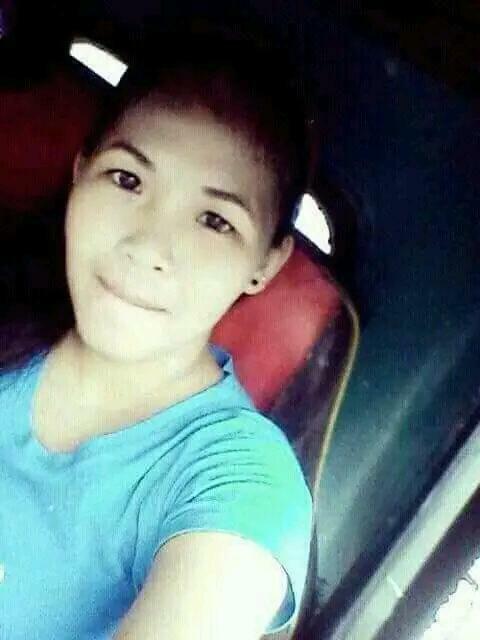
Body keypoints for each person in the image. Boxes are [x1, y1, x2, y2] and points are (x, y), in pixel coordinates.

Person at [0, 23, 314, 640]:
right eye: (127, 179)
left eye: (215, 220)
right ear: (80, 173)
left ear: (265, 264)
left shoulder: (237, 480)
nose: (148, 247)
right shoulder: (14, 305)